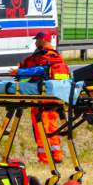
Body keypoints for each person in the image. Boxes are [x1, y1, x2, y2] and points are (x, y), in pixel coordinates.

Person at [10, 30, 71, 163]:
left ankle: (44, 158)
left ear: (42, 40)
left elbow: (38, 69)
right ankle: (57, 155)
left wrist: (19, 71)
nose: (36, 42)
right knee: (52, 127)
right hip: (55, 96)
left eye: (37, 40)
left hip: (42, 97)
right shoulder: (57, 56)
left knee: (40, 128)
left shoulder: (41, 56)